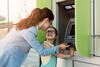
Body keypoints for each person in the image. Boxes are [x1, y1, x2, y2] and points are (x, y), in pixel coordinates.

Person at [0, 8, 67, 67]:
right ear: (46, 20)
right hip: (6, 56)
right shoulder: (30, 31)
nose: (49, 26)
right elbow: (42, 51)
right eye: (50, 23)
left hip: (7, 54)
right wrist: (59, 47)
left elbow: (32, 43)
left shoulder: (29, 27)